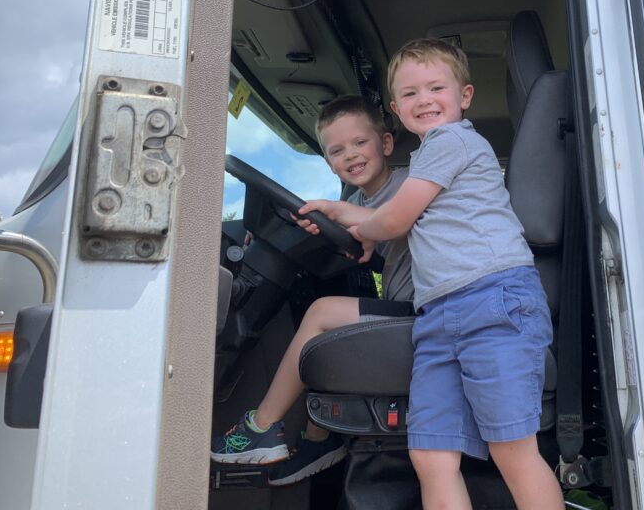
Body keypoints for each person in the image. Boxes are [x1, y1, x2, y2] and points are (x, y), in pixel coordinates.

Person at [300, 39, 564, 510]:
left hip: (494, 302)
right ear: (396, 109)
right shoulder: (425, 159)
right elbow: (391, 218)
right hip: (439, 317)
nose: (423, 100)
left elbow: (394, 220)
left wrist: (361, 227)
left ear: (465, 96)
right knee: (429, 454)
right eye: (410, 93)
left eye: (435, 88)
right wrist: (346, 215)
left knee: (512, 449)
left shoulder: (452, 140)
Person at [211, 95, 414, 486]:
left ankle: (261, 427)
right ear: (329, 163)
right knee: (325, 318)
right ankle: (320, 439)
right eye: (337, 151)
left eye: (360, 142)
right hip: (402, 307)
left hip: (426, 310)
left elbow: (401, 223)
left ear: (386, 143)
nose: (350, 155)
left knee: (322, 313)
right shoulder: (354, 200)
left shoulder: (409, 186)